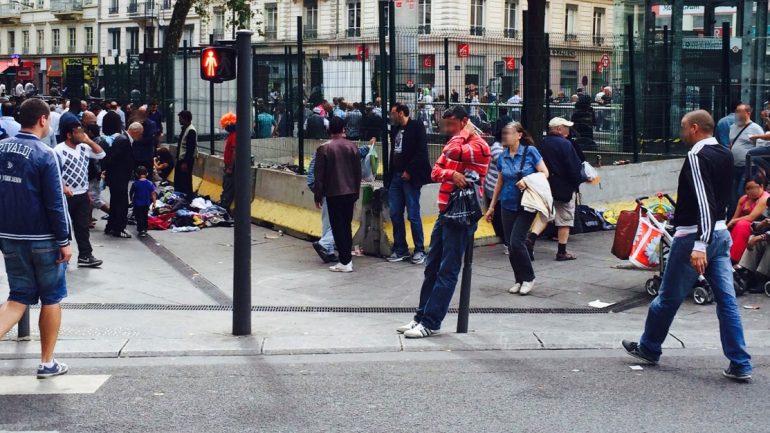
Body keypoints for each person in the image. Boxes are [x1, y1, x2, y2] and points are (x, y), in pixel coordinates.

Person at [623, 109, 753, 382]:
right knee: (727, 301)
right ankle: (740, 362)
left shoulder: (696, 156)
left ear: (694, 128)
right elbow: (724, 199)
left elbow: (705, 203)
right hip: (719, 234)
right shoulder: (725, 153)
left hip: (695, 237)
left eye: (683, 127)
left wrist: (699, 245)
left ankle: (649, 347)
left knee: (667, 298)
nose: (681, 132)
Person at [397, 106, 491, 339]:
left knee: (447, 269)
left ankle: (431, 321)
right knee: (432, 267)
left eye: (452, 124)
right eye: (445, 125)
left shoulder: (479, 145)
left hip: (460, 213)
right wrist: (452, 174)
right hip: (446, 211)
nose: (447, 129)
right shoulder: (459, 141)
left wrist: (462, 136)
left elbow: (451, 153)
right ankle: (421, 317)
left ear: (464, 122)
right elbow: (436, 170)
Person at [0, 98, 72, 378]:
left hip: (10, 236)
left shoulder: (2, 148)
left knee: (18, 298)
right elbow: (54, 203)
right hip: (43, 238)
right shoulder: (45, 153)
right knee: (51, 298)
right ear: (43, 119)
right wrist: (64, 241)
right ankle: (47, 362)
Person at [485, 122, 549, 295]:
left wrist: (527, 180)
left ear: (519, 135)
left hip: (527, 204)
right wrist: (492, 207)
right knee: (510, 245)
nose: (505, 136)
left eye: (509, 133)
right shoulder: (502, 157)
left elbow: (545, 173)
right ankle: (518, 279)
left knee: (516, 241)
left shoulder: (530, 152)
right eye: (504, 133)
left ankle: (529, 277)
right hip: (506, 204)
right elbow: (500, 181)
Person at [53, 113, 105, 268]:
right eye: (78, 131)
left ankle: (85, 255)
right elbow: (54, 172)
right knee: (64, 226)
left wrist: (88, 141)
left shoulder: (84, 147)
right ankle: (62, 254)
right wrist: (63, 186)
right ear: (69, 134)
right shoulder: (58, 150)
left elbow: (101, 154)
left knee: (82, 226)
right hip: (66, 195)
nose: (82, 134)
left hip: (82, 193)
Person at [312, 117, 362, 273]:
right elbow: (357, 173)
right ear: (343, 130)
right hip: (350, 192)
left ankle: (345, 261)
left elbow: (319, 176)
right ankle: (347, 260)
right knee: (346, 226)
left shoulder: (324, 149)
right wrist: (356, 193)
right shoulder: (352, 147)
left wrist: (318, 196)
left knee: (337, 227)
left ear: (329, 131)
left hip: (334, 193)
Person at [531, 117, 584, 261]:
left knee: (544, 215)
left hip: (546, 186)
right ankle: (562, 251)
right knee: (565, 218)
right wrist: (577, 182)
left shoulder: (541, 144)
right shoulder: (566, 144)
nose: (568, 130)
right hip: (564, 187)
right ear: (559, 129)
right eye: (566, 127)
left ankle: (531, 239)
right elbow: (574, 168)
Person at [386, 103, 431, 264]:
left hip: (411, 177)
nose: (391, 116)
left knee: (413, 214)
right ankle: (401, 249)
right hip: (396, 177)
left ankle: (419, 249)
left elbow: (422, 152)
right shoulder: (395, 129)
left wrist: (409, 171)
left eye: (393, 113)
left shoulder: (417, 127)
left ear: (401, 113)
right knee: (395, 213)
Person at [103, 118, 138, 239]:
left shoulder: (121, 139)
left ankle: (111, 226)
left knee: (116, 202)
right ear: (136, 132)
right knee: (121, 203)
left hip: (117, 177)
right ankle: (119, 228)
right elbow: (114, 158)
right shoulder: (124, 140)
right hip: (119, 177)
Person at [729, 103, 764, 212]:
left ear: (748, 113)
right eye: (736, 111)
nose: (737, 114)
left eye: (740, 112)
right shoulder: (732, 127)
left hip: (749, 167)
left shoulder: (756, 129)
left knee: (742, 193)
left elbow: (761, 150)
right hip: (734, 166)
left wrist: (761, 169)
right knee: (732, 195)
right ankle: (732, 217)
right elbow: (731, 144)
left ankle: (743, 217)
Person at [727, 176, 769, 263]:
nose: (749, 191)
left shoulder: (765, 198)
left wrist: (734, 221)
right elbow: (735, 217)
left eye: (753, 188)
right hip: (742, 224)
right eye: (747, 188)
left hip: (759, 226)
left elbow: (751, 218)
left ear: (761, 186)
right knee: (731, 227)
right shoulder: (744, 198)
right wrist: (731, 223)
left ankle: (735, 258)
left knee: (742, 224)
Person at [307, 145, 338, 264]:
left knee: (327, 222)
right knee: (342, 223)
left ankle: (328, 251)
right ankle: (324, 244)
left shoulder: (322, 148)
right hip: (338, 191)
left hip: (327, 191)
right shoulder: (344, 147)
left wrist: (318, 194)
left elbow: (315, 175)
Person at [83, 111, 110, 223]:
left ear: (90, 132)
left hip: (94, 174)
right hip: (98, 174)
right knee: (91, 197)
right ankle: (88, 218)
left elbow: (94, 162)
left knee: (94, 198)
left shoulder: (93, 143)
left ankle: (114, 214)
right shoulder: (102, 140)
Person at [484, 131, 507, 254]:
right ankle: (507, 242)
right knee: (498, 217)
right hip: (494, 187)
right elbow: (505, 164)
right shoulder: (497, 148)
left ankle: (508, 241)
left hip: (504, 188)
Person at [175, 110, 197, 195]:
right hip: (181, 159)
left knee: (185, 181)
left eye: (180, 118)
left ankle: (186, 197)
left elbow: (190, 148)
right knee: (179, 180)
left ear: (186, 119)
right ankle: (179, 196)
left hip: (185, 161)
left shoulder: (191, 131)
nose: (179, 120)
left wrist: (185, 162)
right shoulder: (185, 129)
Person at [130, 166, 156, 238]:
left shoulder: (135, 183)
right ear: (147, 174)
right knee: (145, 216)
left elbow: (131, 193)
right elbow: (153, 193)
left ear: (136, 174)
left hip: (137, 204)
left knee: (139, 217)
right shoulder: (150, 183)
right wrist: (154, 203)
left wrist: (131, 200)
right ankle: (144, 229)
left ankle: (141, 230)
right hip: (146, 203)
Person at [219, 112, 237, 210]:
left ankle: (224, 206)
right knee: (226, 185)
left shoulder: (234, 136)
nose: (225, 128)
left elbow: (234, 152)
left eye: (226, 126)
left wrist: (230, 167)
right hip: (229, 165)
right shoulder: (231, 135)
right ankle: (223, 203)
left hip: (231, 166)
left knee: (228, 186)